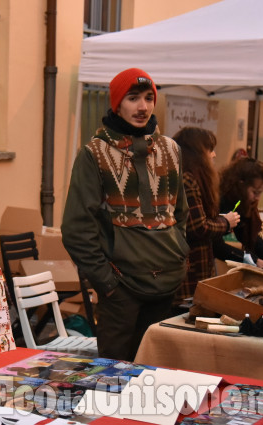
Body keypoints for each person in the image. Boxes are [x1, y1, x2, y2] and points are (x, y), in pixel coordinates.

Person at [61, 68, 189, 362]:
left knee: (157, 377)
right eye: (133, 98)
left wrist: (180, 256)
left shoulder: (171, 150)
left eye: (148, 98)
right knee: (115, 378)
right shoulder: (95, 153)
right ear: (117, 103)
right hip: (121, 290)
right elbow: (77, 229)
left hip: (167, 285)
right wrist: (107, 284)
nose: (142, 107)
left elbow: (180, 213)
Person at [172, 127, 240, 308]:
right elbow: (197, 227)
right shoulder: (188, 180)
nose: (214, 155)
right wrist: (226, 222)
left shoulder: (185, 179)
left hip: (194, 274)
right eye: (210, 150)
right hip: (189, 276)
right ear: (197, 154)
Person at [213, 157, 263, 269]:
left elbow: (246, 233)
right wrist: (254, 260)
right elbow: (215, 245)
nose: (258, 198)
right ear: (241, 185)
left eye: (260, 193)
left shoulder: (239, 202)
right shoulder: (219, 199)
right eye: (255, 192)